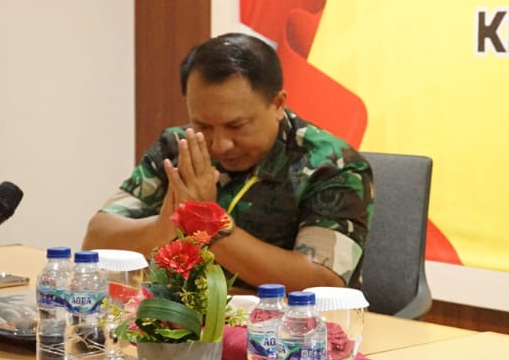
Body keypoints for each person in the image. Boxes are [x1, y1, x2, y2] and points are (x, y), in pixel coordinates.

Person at [83, 33, 372, 291]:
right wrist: (163, 227)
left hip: (288, 329)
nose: (220, 145)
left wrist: (209, 226)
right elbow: (96, 240)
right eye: (203, 125)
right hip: (183, 322)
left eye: (237, 126)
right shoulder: (178, 148)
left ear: (278, 104)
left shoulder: (331, 164)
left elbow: (322, 281)